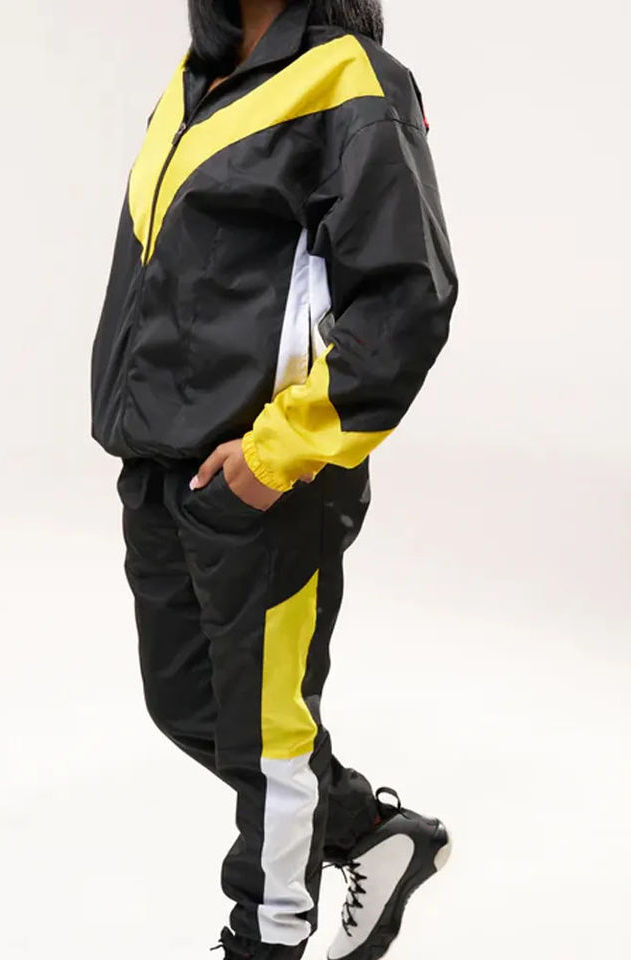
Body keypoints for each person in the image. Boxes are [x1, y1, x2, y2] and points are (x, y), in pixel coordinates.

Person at [90, 0, 459, 956]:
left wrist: (269, 460)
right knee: (187, 705)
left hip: (268, 476)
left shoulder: (353, 81)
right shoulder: (193, 80)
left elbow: (407, 302)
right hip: (162, 461)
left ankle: (268, 933)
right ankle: (375, 836)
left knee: (269, 738)